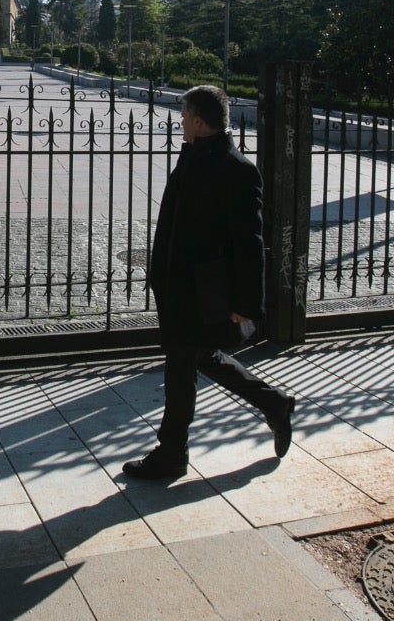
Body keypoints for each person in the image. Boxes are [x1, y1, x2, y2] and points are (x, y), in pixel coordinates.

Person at [124, 84, 295, 481]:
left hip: (203, 290)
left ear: (199, 122)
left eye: (184, 116)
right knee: (203, 356)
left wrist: (248, 304)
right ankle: (274, 404)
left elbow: (250, 242)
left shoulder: (237, 170)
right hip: (181, 285)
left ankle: (171, 454)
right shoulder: (197, 156)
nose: (180, 122)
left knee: (180, 368)